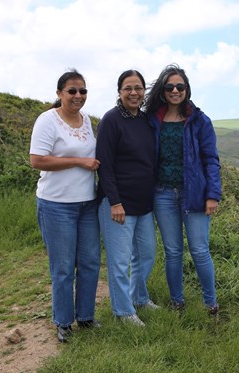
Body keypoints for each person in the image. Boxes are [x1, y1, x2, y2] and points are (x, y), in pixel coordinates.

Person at [29, 69, 101, 343]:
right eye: (72, 91)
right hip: (56, 205)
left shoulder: (86, 122)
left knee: (91, 262)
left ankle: (85, 317)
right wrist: (79, 162)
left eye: (82, 91)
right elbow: (37, 160)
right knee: (62, 267)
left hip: (87, 204)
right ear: (59, 93)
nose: (78, 96)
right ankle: (63, 322)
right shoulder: (47, 121)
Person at [145, 64, 221, 315]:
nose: (175, 90)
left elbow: (211, 159)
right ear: (163, 90)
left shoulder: (199, 120)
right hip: (163, 193)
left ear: (187, 89)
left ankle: (210, 304)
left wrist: (213, 195)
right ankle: (177, 302)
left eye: (180, 86)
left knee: (200, 250)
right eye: (170, 87)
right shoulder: (153, 119)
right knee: (173, 251)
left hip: (195, 194)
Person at [96, 69, 159, 327]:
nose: (134, 93)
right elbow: (105, 165)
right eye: (128, 88)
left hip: (143, 203)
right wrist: (114, 201)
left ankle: (140, 298)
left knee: (146, 255)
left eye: (138, 88)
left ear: (144, 92)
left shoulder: (146, 120)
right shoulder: (111, 120)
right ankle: (123, 312)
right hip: (117, 204)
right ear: (119, 92)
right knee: (120, 261)